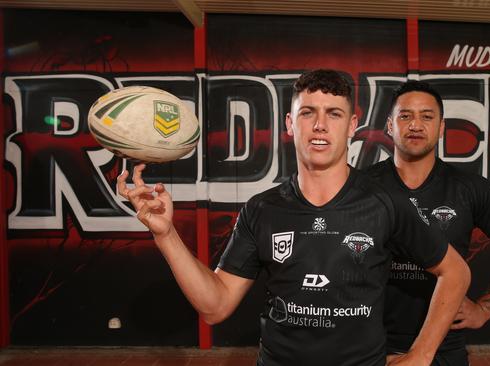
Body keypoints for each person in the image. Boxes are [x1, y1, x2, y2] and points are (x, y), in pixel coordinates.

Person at [117, 70, 470, 366]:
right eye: (307, 113)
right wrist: (166, 235)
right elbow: (216, 306)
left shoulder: (385, 202)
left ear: (352, 125)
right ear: (289, 123)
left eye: (333, 114)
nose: (319, 125)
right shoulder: (262, 209)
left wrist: (421, 356)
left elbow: (455, 272)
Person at [366, 80, 490, 366]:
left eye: (427, 116)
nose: (415, 125)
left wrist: (484, 309)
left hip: (443, 349)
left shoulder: (469, 188)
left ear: (442, 127)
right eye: (405, 116)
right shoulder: (362, 187)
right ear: (389, 125)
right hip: (371, 343)